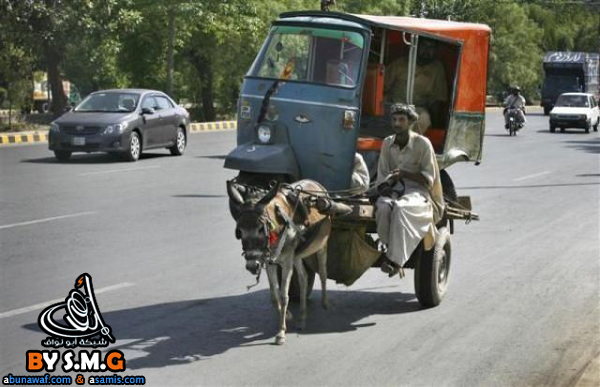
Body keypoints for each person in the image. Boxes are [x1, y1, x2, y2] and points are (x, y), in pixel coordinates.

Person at [375, 104, 444, 276]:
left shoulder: (423, 144)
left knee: (401, 208)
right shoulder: (387, 143)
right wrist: (383, 187)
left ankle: (395, 261)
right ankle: (388, 247)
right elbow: (382, 175)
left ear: (411, 122)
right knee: (383, 207)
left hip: (418, 192)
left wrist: (405, 174)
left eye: (401, 120)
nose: (397, 123)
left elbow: (429, 178)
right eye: (394, 119)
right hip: (393, 191)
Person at [384, 39, 448, 133]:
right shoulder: (400, 63)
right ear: (416, 47)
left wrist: (437, 126)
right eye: (424, 46)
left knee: (424, 120)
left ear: (435, 51)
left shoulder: (437, 68)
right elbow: (383, 85)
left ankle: (411, 146)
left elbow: (437, 98)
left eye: (431, 47)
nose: (427, 50)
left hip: (418, 109)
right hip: (394, 105)